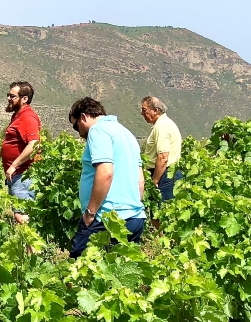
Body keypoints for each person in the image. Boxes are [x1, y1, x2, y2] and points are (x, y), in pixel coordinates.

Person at [68, 96, 146, 257]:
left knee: (79, 265)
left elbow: (105, 173)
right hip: (134, 216)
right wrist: (132, 206)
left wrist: (90, 213)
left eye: (76, 126)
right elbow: (140, 179)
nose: (79, 133)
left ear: (84, 117)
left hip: (106, 217)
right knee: (122, 268)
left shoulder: (97, 131)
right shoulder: (127, 133)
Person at [2, 81, 41, 224]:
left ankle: (33, 240)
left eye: (12, 96)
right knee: (20, 214)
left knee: (23, 215)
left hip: (24, 175)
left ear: (24, 99)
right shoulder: (18, 116)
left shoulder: (27, 117)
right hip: (19, 175)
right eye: (8, 95)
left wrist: (14, 165)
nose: (8, 98)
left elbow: (34, 144)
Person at [140, 96, 183, 201]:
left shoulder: (162, 126)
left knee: (161, 209)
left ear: (155, 110)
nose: (142, 114)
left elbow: (163, 157)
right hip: (167, 174)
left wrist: (154, 181)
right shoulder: (165, 124)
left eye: (144, 110)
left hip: (163, 176)